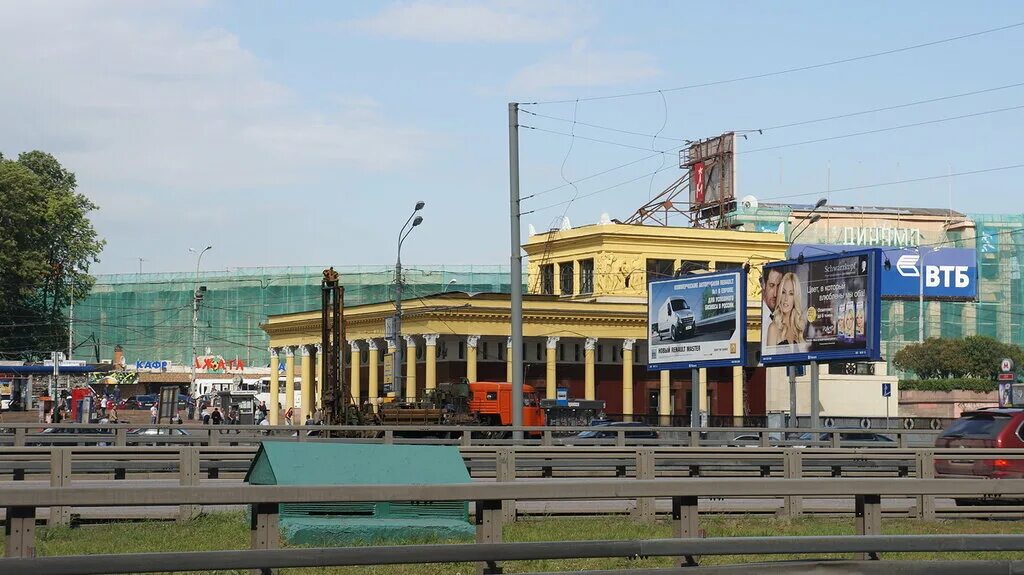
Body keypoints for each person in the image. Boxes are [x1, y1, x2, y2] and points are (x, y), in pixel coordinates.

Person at [766, 272, 807, 348]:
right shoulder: (773, 328)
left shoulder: (798, 329)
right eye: (783, 292)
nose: (786, 299)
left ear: (795, 298)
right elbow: (769, 359)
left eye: (791, 294)